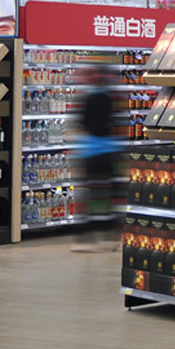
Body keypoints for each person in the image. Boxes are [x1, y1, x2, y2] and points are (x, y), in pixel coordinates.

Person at [71, 65, 121, 252]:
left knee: (86, 195)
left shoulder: (87, 97)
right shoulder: (111, 97)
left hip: (90, 150)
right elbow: (115, 123)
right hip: (109, 150)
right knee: (109, 195)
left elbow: (81, 123)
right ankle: (110, 238)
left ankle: (84, 239)